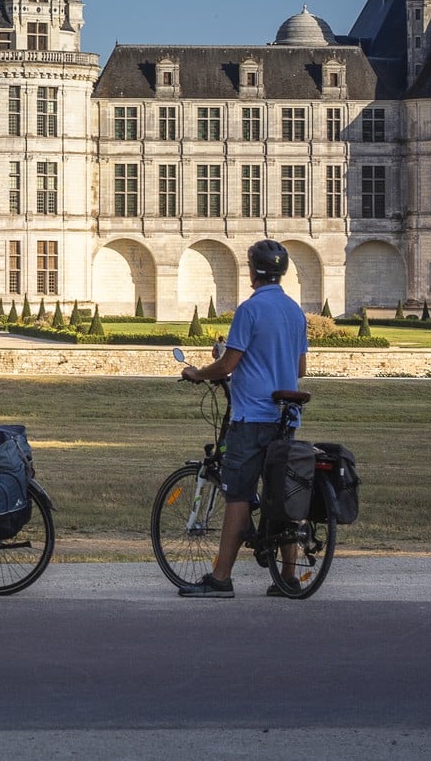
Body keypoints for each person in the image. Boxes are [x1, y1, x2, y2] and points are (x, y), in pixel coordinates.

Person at [177, 239, 309, 598]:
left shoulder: (249, 310)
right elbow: (300, 367)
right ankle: (288, 578)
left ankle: (221, 577)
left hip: (251, 415)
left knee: (237, 494)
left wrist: (199, 373)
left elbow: (228, 364)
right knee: (281, 494)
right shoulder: (295, 312)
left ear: (252, 271)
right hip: (286, 418)